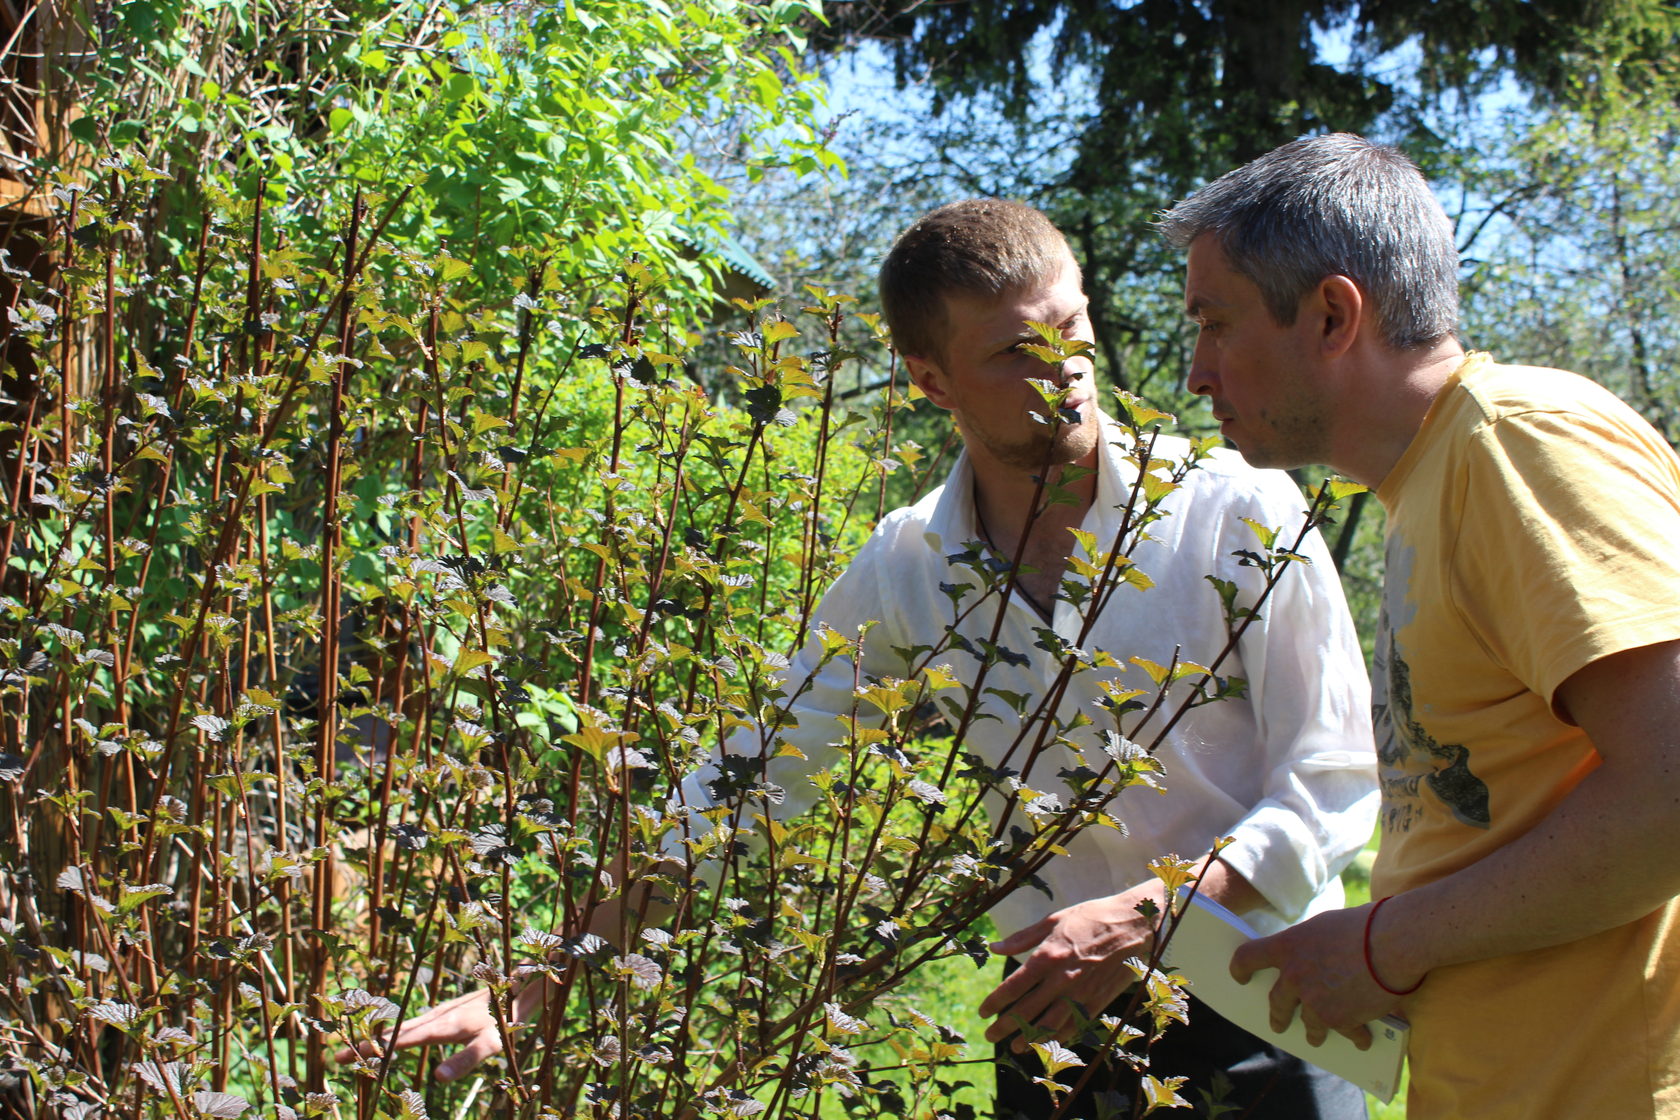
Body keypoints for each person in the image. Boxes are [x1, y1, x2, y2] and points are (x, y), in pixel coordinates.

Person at [360, 199, 1379, 1119]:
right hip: (1061, 1057)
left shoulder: (1236, 510)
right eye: (1011, 352)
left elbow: (1331, 782)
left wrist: (1152, 913)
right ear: (929, 379)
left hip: (1270, 1014)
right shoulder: (907, 569)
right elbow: (744, 789)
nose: (1060, 372)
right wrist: (532, 984)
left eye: (1069, 329)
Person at [1159, 132, 1680, 1120]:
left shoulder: (1514, 445)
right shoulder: (1428, 491)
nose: (1196, 370)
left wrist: (1381, 945)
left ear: (1330, 313)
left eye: (1215, 323)